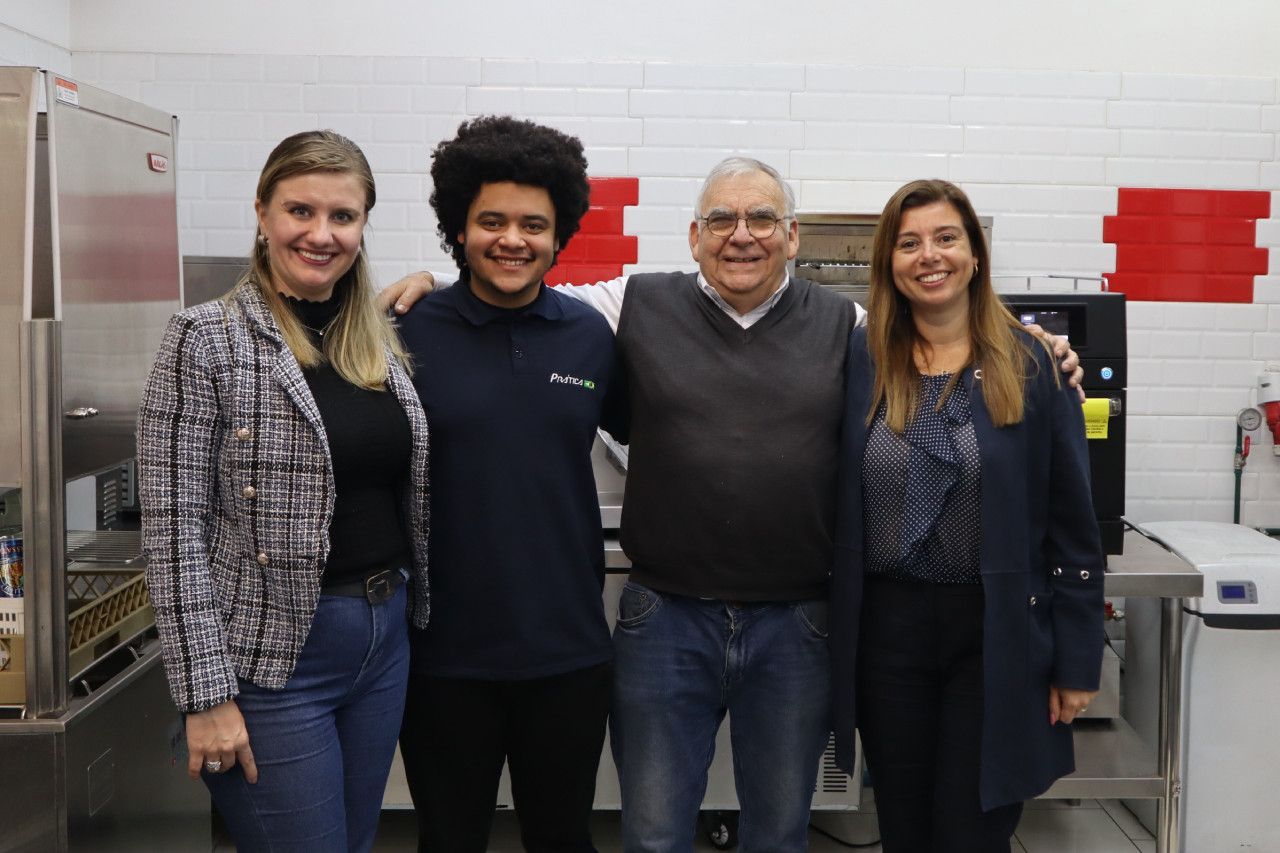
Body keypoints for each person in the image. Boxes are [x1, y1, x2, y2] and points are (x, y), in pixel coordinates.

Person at [383, 158, 1081, 852]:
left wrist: (1036, 345)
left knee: (777, 833)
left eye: (762, 219)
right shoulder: (636, 302)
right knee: (654, 834)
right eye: (722, 219)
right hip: (665, 620)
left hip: (797, 626)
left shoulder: (849, 326)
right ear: (694, 236)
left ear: (793, 235)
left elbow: (941, 329)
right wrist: (434, 285)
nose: (740, 235)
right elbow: (527, 292)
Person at [137, 130, 430, 853]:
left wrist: (434, 279)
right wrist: (204, 695)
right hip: (274, 659)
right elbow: (172, 529)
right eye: (300, 210)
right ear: (262, 213)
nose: (320, 234)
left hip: (382, 635)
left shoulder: (377, 342)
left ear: (364, 226)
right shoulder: (205, 338)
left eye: (343, 216)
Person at [828, 179, 1105, 852]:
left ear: (976, 254)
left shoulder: (1032, 363)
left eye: (947, 238)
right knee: (903, 822)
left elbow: (1074, 525)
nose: (930, 256)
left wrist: (1077, 661)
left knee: (972, 828)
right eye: (910, 242)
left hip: (994, 633)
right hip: (886, 633)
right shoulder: (860, 360)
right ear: (890, 262)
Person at [394, 116, 624, 853]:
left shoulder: (590, 336)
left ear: (560, 236)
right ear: (458, 228)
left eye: (533, 224)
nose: (512, 239)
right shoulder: (407, 330)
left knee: (562, 837)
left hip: (566, 652)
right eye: (491, 220)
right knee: (449, 838)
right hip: (442, 656)